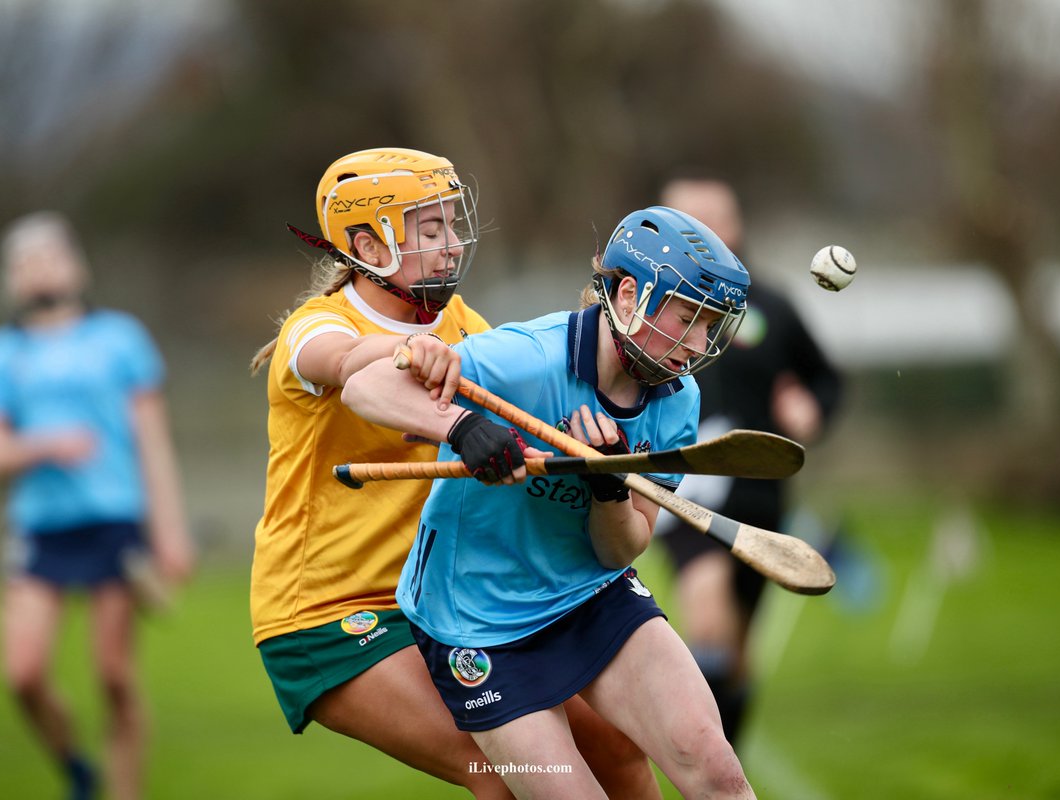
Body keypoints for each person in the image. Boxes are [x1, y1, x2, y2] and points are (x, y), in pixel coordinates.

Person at [248, 147, 661, 798]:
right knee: (508, 770)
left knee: (617, 748)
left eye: (451, 224)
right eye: (430, 229)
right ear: (366, 243)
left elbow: (532, 414)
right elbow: (348, 359)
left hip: (441, 603)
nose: (451, 244)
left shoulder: (466, 325)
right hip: (329, 614)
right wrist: (416, 355)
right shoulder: (315, 329)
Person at [343, 205, 759, 798]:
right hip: (475, 621)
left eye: (709, 323)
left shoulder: (678, 403)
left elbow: (621, 549)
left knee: (718, 774)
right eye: (687, 316)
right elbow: (365, 386)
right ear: (629, 294)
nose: (697, 343)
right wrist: (462, 427)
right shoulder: (523, 360)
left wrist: (608, 489)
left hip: (590, 594)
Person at [0, 211, 195, 800]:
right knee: (23, 675)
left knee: (115, 678)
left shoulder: (120, 338)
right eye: (24, 260)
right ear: (8, 278)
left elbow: (153, 442)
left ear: (76, 264)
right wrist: (42, 444)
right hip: (40, 530)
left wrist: (170, 530)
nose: (39, 268)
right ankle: (74, 765)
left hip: (115, 521)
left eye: (49, 254)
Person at [657, 175, 843, 746]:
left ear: (737, 226)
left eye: (717, 216)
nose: (706, 229)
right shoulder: (649, 305)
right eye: (690, 218)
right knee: (708, 617)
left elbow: (825, 378)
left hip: (761, 494)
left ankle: (723, 758)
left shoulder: (773, 308)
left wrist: (809, 407)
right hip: (684, 486)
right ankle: (702, 761)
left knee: (735, 653)